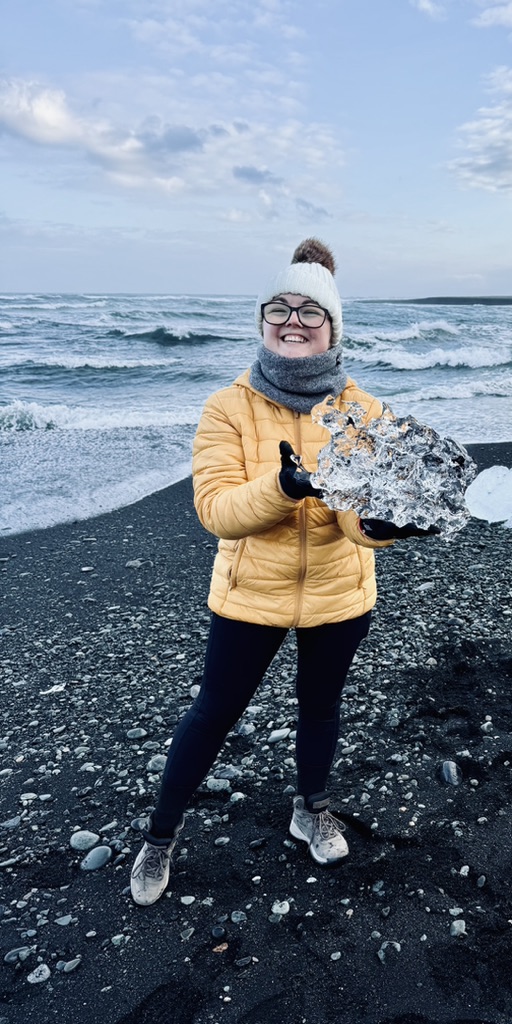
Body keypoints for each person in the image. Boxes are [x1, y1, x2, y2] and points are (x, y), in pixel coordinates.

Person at [131, 238, 433, 906]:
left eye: (310, 311)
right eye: (279, 309)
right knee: (215, 712)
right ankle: (159, 838)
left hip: (340, 594)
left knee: (320, 707)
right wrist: (286, 485)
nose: (293, 320)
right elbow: (216, 510)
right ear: (263, 321)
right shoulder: (227, 407)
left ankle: (311, 810)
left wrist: (381, 527)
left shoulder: (364, 410)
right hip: (249, 597)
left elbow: (358, 517)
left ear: (333, 328)